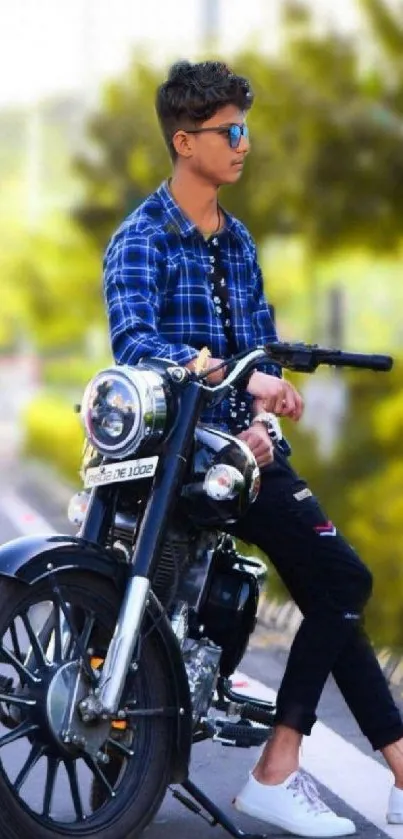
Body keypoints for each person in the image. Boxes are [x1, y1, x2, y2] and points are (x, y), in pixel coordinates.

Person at [103, 59, 403, 837]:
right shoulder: (140, 238)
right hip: (181, 454)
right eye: (228, 131)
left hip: (247, 451)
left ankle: (384, 772)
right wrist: (204, 369)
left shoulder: (234, 240)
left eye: (245, 128)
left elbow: (254, 344)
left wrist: (267, 381)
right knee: (338, 579)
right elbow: (136, 339)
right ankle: (277, 771)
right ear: (184, 140)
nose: (243, 143)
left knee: (334, 581)